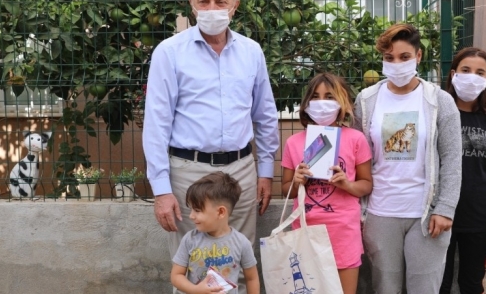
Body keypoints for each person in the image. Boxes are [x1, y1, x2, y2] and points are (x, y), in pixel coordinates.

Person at [142, 0, 279, 291]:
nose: (212, 8)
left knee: (239, 262)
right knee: (192, 265)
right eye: (204, 1)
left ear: (235, 6)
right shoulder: (169, 52)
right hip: (188, 174)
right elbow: (156, 124)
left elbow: (265, 115)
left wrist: (266, 172)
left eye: (220, 1)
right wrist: (161, 190)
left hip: (240, 172)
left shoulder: (251, 52)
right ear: (192, 5)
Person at [352, 23, 462, 294]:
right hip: (380, 213)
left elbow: (451, 158)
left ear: (418, 55)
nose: (396, 64)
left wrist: (445, 208)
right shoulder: (366, 101)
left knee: (424, 288)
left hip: (425, 215)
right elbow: (358, 157)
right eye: (389, 58)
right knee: (385, 288)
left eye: (404, 57)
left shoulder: (440, 101)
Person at [281, 72, 373, 294]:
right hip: (305, 231)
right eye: (315, 96)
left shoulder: (356, 139)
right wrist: (297, 182)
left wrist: (347, 185)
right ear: (306, 103)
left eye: (330, 97)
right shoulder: (294, 142)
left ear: (343, 102)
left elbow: (366, 184)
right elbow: (286, 190)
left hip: (344, 233)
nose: (322, 102)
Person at [439, 47, 486, 294]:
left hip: (477, 216)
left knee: (471, 285)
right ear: (453, 74)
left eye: (480, 72)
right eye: (466, 70)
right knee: (438, 284)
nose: (472, 77)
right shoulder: (438, 115)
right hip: (440, 213)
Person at [171, 172, 260, 294]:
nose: (191, 216)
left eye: (197, 210)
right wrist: (196, 290)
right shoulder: (190, 239)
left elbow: (251, 278)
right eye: (191, 209)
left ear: (221, 212)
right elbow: (176, 275)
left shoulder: (242, 243)